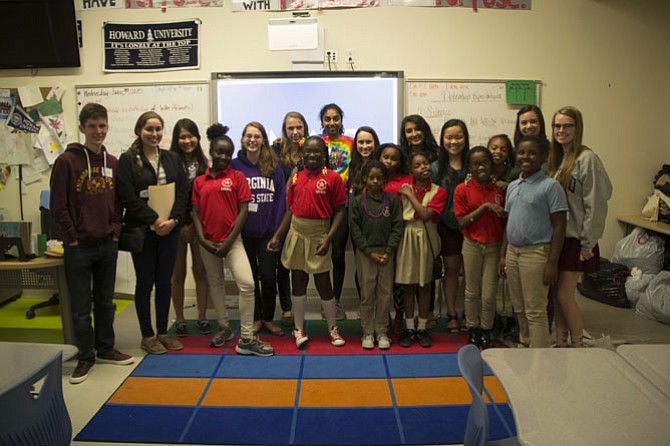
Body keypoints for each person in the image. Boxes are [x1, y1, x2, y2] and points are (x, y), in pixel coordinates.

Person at [50, 103, 133, 384]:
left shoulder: (112, 162)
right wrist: (71, 237)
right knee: (81, 307)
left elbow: (119, 201)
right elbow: (58, 205)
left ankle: (106, 348)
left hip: (107, 244)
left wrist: (115, 231)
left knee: (106, 302)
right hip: (79, 247)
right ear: (83, 127)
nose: (98, 131)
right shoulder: (66, 162)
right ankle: (85, 356)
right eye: (93, 126)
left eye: (103, 126)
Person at [192, 123, 275, 356]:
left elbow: (243, 211)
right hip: (206, 242)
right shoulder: (200, 181)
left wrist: (229, 241)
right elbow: (195, 214)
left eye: (228, 153)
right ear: (211, 151)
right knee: (216, 283)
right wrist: (202, 239)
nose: (223, 157)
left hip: (232, 242)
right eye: (219, 152)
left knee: (247, 284)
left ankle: (247, 337)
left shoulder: (237, 177)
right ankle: (225, 327)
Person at [117, 111, 189, 355]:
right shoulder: (128, 160)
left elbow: (183, 193)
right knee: (145, 283)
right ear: (140, 130)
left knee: (164, 283)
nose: (154, 134)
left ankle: (161, 332)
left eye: (158, 129)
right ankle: (147, 335)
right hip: (143, 231)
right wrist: (155, 219)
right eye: (149, 129)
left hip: (169, 230)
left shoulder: (170, 158)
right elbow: (127, 197)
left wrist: (174, 220)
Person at [267, 136, 348, 349]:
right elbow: (290, 211)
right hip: (297, 232)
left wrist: (329, 238)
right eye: (308, 152)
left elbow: (340, 210)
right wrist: (277, 236)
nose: (312, 155)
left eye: (318, 152)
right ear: (302, 155)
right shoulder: (295, 178)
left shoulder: (333, 178)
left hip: (320, 233)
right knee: (298, 281)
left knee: (323, 283)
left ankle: (332, 327)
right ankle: (298, 328)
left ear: (325, 155)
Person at [547, 106, 612, 347]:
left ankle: (577, 344)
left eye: (567, 126)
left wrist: (588, 242)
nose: (561, 130)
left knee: (565, 294)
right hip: (559, 238)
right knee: (559, 295)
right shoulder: (557, 159)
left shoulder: (588, 159)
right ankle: (561, 341)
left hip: (577, 240)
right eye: (557, 126)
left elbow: (596, 203)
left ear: (577, 128)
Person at [499, 135, 567, 348]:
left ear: (543, 156)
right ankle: (526, 344)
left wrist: (552, 263)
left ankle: (541, 357)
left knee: (535, 309)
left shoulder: (550, 186)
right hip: (513, 252)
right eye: (521, 152)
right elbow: (509, 222)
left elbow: (559, 226)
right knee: (518, 307)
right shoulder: (513, 185)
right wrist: (503, 255)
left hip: (536, 253)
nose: (525, 157)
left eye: (532, 153)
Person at [231, 121, 286, 337]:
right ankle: (255, 318)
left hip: (268, 234)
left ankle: (269, 318)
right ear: (243, 139)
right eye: (248, 136)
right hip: (242, 234)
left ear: (263, 140)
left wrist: (277, 233)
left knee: (268, 276)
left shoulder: (274, 165)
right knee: (250, 279)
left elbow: (281, 200)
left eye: (257, 136)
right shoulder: (235, 166)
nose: (252, 140)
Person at [454, 147, 506, 349]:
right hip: (472, 245)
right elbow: (462, 221)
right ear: (469, 167)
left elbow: (507, 221)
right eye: (475, 164)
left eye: (484, 162)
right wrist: (484, 207)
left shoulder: (500, 189)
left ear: (491, 165)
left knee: (488, 293)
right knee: (471, 291)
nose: (481, 167)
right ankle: (473, 328)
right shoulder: (462, 189)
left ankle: (486, 329)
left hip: (494, 246)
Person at [349, 160, 403, 349]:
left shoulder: (392, 200)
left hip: (386, 253)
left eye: (379, 178)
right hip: (366, 254)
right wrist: (368, 251)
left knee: (385, 293)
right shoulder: (357, 202)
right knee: (367, 293)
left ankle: (381, 331)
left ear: (385, 180)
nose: (375, 181)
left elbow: (397, 226)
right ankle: (368, 332)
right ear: (364, 179)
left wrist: (389, 251)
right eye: (371, 177)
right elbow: (355, 229)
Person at [396, 152, 447, 348]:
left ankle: (423, 326)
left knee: (425, 284)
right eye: (418, 165)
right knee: (408, 284)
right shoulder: (404, 188)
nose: (424, 167)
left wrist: (410, 196)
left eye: (426, 163)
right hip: (408, 236)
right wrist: (407, 192)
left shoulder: (438, 191)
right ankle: (410, 327)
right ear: (411, 171)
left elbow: (426, 214)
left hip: (427, 237)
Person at [169, 118, 210, 337]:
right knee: (178, 274)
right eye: (182, 137)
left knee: (200, 271)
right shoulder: (168, 162)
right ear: (176, 140)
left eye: (191, 136)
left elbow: (205, 199)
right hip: (175, 226)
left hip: (198, 226)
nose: (187, 141)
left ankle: (202, 317)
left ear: (198, 137)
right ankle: (181, 318)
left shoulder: (205, 165)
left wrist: (195, 226)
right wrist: (180, 223)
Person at [271, 111, 310, 327]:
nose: (295, 132)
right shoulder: (275, 151)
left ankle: (300, 305)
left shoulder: (312, 148)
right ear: (285, 131)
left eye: (299, 128)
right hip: (281, 214)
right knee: (283, 263)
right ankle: (287, 308)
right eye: (290, 129)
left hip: (305, 215)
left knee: (301, 264)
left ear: (305, 128)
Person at [431, 119, 469, 333]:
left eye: (458, 137)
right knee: (452, 270)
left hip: (473, 225)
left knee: (472, 273)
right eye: (449, 137)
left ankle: (469, 313)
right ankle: (452, 313)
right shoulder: (437, 168)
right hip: (447, 226)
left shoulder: (474, 163)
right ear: (442, 139)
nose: (454, 141)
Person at [319, 103, 353, 320]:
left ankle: (337, 301)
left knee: (339, 254)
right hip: (321, 204)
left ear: (341, 119)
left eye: (335, 118)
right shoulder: (315, 143)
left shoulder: (350, 143)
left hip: (343, 204)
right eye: (327, 119)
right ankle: (326, 301)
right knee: (322, 254)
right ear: (321, 121)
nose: (331, 123)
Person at [375, 143, 412, 334]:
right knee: (382, 280)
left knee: (399, 278)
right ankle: (383, 316)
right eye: (385, 157)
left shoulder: (407, 180)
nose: (389, 161)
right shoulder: (374, 178)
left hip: (401, 235)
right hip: (378, 235)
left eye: (394, 158)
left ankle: (399, 315)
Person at [486, 133, 519, 339]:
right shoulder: (480, 170)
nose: (497, 152)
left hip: (510, 229)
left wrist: (509, 185)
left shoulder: (515, 175)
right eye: (493, 148)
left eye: (503, 149)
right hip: (486, 232)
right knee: (489, 283)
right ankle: (492, 319)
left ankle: (515, 322)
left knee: (512, 280)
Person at [348, 126, 381, 300]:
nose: (365, 146)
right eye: (361, 142)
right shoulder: (352, 167)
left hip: (379, 226)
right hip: (358, 227)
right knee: (361, 266)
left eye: (369, 142)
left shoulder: (382, 166)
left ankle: (379, 305)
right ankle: (365, 304)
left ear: (375, 143)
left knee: (380, 268)